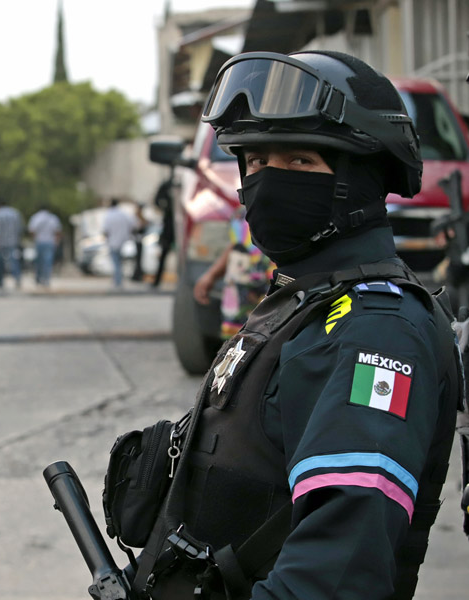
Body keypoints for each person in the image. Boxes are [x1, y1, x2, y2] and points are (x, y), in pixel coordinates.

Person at [122, 51, 462, 600]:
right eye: (254, 160)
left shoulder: (376, 331)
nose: (266, 180)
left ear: (362, 177)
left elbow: (337, 573)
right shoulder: (303, 300)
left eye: (299, 161)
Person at [193, 209, 274, 339]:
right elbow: (237, 244)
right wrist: (211, 275)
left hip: (274, 292)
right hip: (239, 297)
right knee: (239, 345)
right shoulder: (244, 210)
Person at [102, 198, 138, 288]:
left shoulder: (109, 215)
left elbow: (106, 230)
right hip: (123, 241)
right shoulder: (123, 214)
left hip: (113, 242)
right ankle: (118, 279)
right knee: (119, 262)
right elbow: (133, 225)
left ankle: (118, 281)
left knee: (116, 262)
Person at [28, 205, 62, 287]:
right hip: (50, 242)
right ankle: (46, 279)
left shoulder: (36, 217)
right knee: (48, 261)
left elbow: (32, 230)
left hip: (39, 241)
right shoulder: (53, 218)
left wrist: (34, 238)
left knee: (39, 261)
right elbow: (57, 231)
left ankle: (38, 278)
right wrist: (56, 241)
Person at [0, 201, 24, 290]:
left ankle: (0, 281)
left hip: (1, 242)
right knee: (14, 260)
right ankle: (17, 278)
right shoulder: (15, 213)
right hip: (13, 241)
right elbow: (20, 228)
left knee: (0, 261)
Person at [151, 179, 175, 289]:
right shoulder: (167, 185)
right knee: (163, 254)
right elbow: (157, 201)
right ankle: (156, 281)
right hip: (169, 227)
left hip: (183, 227)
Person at [131, 202, 147, 282]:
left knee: (139, 259)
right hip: (137, 240)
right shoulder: (136, 217)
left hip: (140, 240)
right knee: (138, 259)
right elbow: (135, 229)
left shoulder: (140, 218)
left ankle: (138, 275)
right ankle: (137, 275)